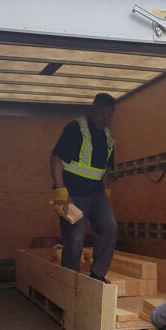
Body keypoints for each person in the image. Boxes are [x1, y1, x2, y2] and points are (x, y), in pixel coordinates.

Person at [50, 93, 117, 282]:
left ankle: (97, 275)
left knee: (109, 227)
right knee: (75, 237)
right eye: (102, 114)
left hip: (96, 193)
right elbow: (55, 159)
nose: (105, 120)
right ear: (93, 109)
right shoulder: (76, 129)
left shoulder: (107, 136)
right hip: (73, 192)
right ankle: (71, 280)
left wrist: (107, 193)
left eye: (109, 116)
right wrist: (61, 192)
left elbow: (105, 169)